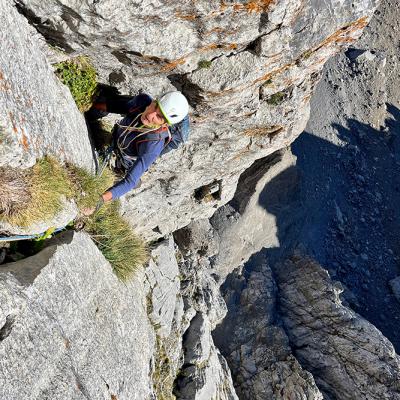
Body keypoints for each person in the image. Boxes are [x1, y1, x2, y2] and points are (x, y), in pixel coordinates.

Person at [87, 90, 190, 212]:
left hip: (131, 156)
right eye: (155, 106)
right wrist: (87, 105)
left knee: (132, 175)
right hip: (120, 136)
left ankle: (136, 175)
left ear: (165, 125)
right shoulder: (141, 102)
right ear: (154, 101)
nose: (151, 115)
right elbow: (116, 106)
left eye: (159, 117)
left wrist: (99, 201)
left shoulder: (152, 145)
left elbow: (129, 181)